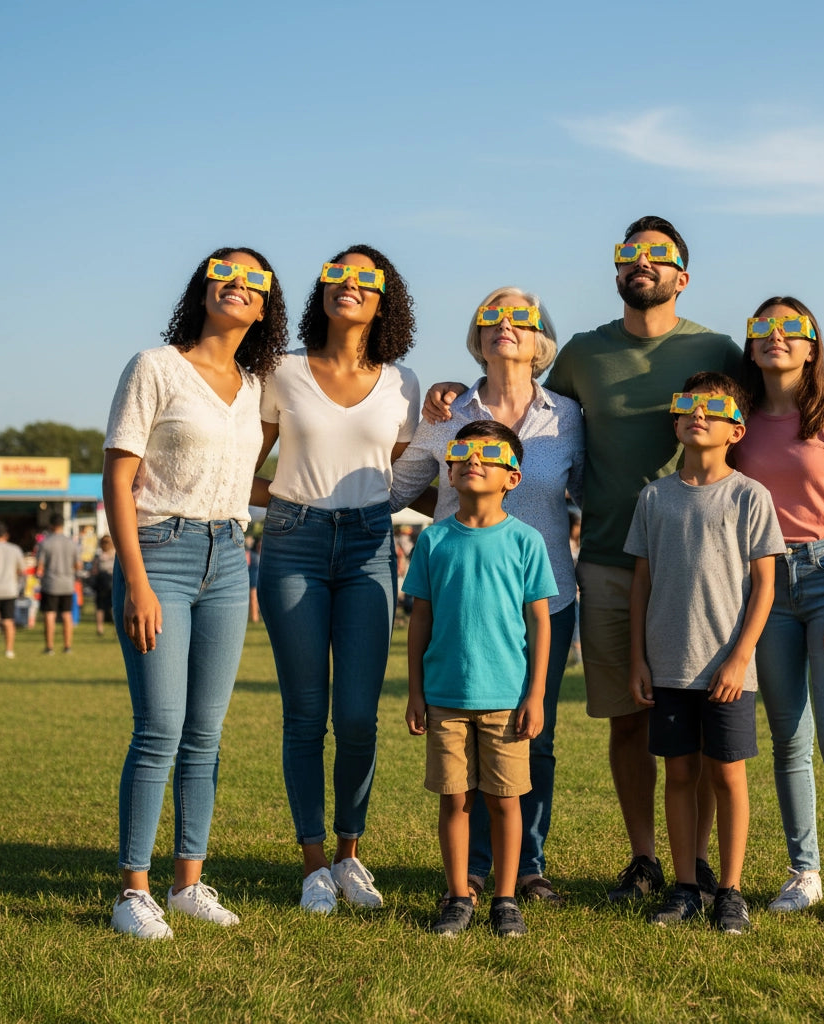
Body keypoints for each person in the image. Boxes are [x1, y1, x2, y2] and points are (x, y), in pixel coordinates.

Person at [424, 215, 824, 905]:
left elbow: (775, 398)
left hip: (713, 568)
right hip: (611, 560)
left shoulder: (721, 348)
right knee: (630, 718)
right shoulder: (581, 354)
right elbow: (519, 392)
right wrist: (450, 395)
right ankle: (646, 861)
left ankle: (712, 874)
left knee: (721, 729)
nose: (642, 263)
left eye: (658, 255)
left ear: (682, 275)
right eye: (629, 253)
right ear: (616, 270)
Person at [103, 246, 289, 939]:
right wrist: (138, 583)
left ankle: (188, 883)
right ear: (202, 289)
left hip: (230, 557)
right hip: (160, 552)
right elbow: (118, 479)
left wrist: (315, 495)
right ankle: (133, 892)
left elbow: (245, 481)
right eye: (224, 274)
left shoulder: (253, 386)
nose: (237, 284)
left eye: (253, 280)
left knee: (206, 735)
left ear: (266, 304)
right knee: (160, 729)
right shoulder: (155, 367)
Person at [390, 286, 583, 904]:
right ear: (477, 338)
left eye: (520, 317)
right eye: (491, 316)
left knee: (534, 735)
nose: (504, 324)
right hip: (460, 607)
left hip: (542, 601)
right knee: (461, 744)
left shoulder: (569, 416)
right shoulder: (449, 412)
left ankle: (526, 865)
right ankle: (471, 872)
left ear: (541, 342)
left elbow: (595, 493)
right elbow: (398, 488)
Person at [253, 245, 419, 915]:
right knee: (304, 714)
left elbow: (407, 476)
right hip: (293, 543)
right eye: (337, 275)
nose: (348, 284)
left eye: (365, 278)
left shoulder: (404, 383)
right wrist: (291, 501)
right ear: (322, 290)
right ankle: (314, 863)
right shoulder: (282, 371)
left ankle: (352, 855)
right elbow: (245, 463)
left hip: (371, 544)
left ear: (385, 299)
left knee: (356, 716)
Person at [735, 296, 824, 932]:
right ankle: (805, 872)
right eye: (763, 327)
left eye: (792, 328)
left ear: (813, 346)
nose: (776, 337)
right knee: (787, 738)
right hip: (765, 584)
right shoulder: (738, 420)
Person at [626, 373, 783, 933]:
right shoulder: (654, 496)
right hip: (667, 664)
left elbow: (764, 586)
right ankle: (686, 885)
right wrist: (638, 659)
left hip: (728, 670)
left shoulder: (750, 496)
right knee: (680, 774)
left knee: (728, 775)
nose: (699, 414)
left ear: (736, 429)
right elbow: (640, 583)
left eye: (714, 408)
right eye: (688, 404)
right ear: (676, 421)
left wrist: (742, 658)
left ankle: (731, 891)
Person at [403, 421, 556, 936]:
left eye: (490, 453)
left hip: (507, 700)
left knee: (505, 799)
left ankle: (506, 898)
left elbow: (539, 622)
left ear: (512, 477)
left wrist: (535, 694)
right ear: (448, 469)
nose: (474, 459)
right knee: (455, 800)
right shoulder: (434, 539)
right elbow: (419, 619)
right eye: (463, 450)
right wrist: (416, 691)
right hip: (444, 696)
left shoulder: (527, 541)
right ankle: (457, 896)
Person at [36, 513, 82, 654]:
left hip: (50, 584)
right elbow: (78, 566)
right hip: (67, 584)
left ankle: (49, 647)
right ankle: (67, 646)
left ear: (50, 525)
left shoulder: (45, 543)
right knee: (67, 614)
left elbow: (40, 568)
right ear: (63, 525)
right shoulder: (72, 543)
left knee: (49, 614)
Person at [0, 522, 27, 659]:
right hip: (10, 590)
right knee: (8, 620)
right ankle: (9, 650)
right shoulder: (15, 549)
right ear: (6, 535)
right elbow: (22, 571)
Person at [91, 535, 115, 636]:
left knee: (100, 607)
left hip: (101, 583)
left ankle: (99, 628)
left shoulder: (98, 555)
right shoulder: (115, 554)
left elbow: (94, 570)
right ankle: (116, 629)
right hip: (113, 581)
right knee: (114, 606)